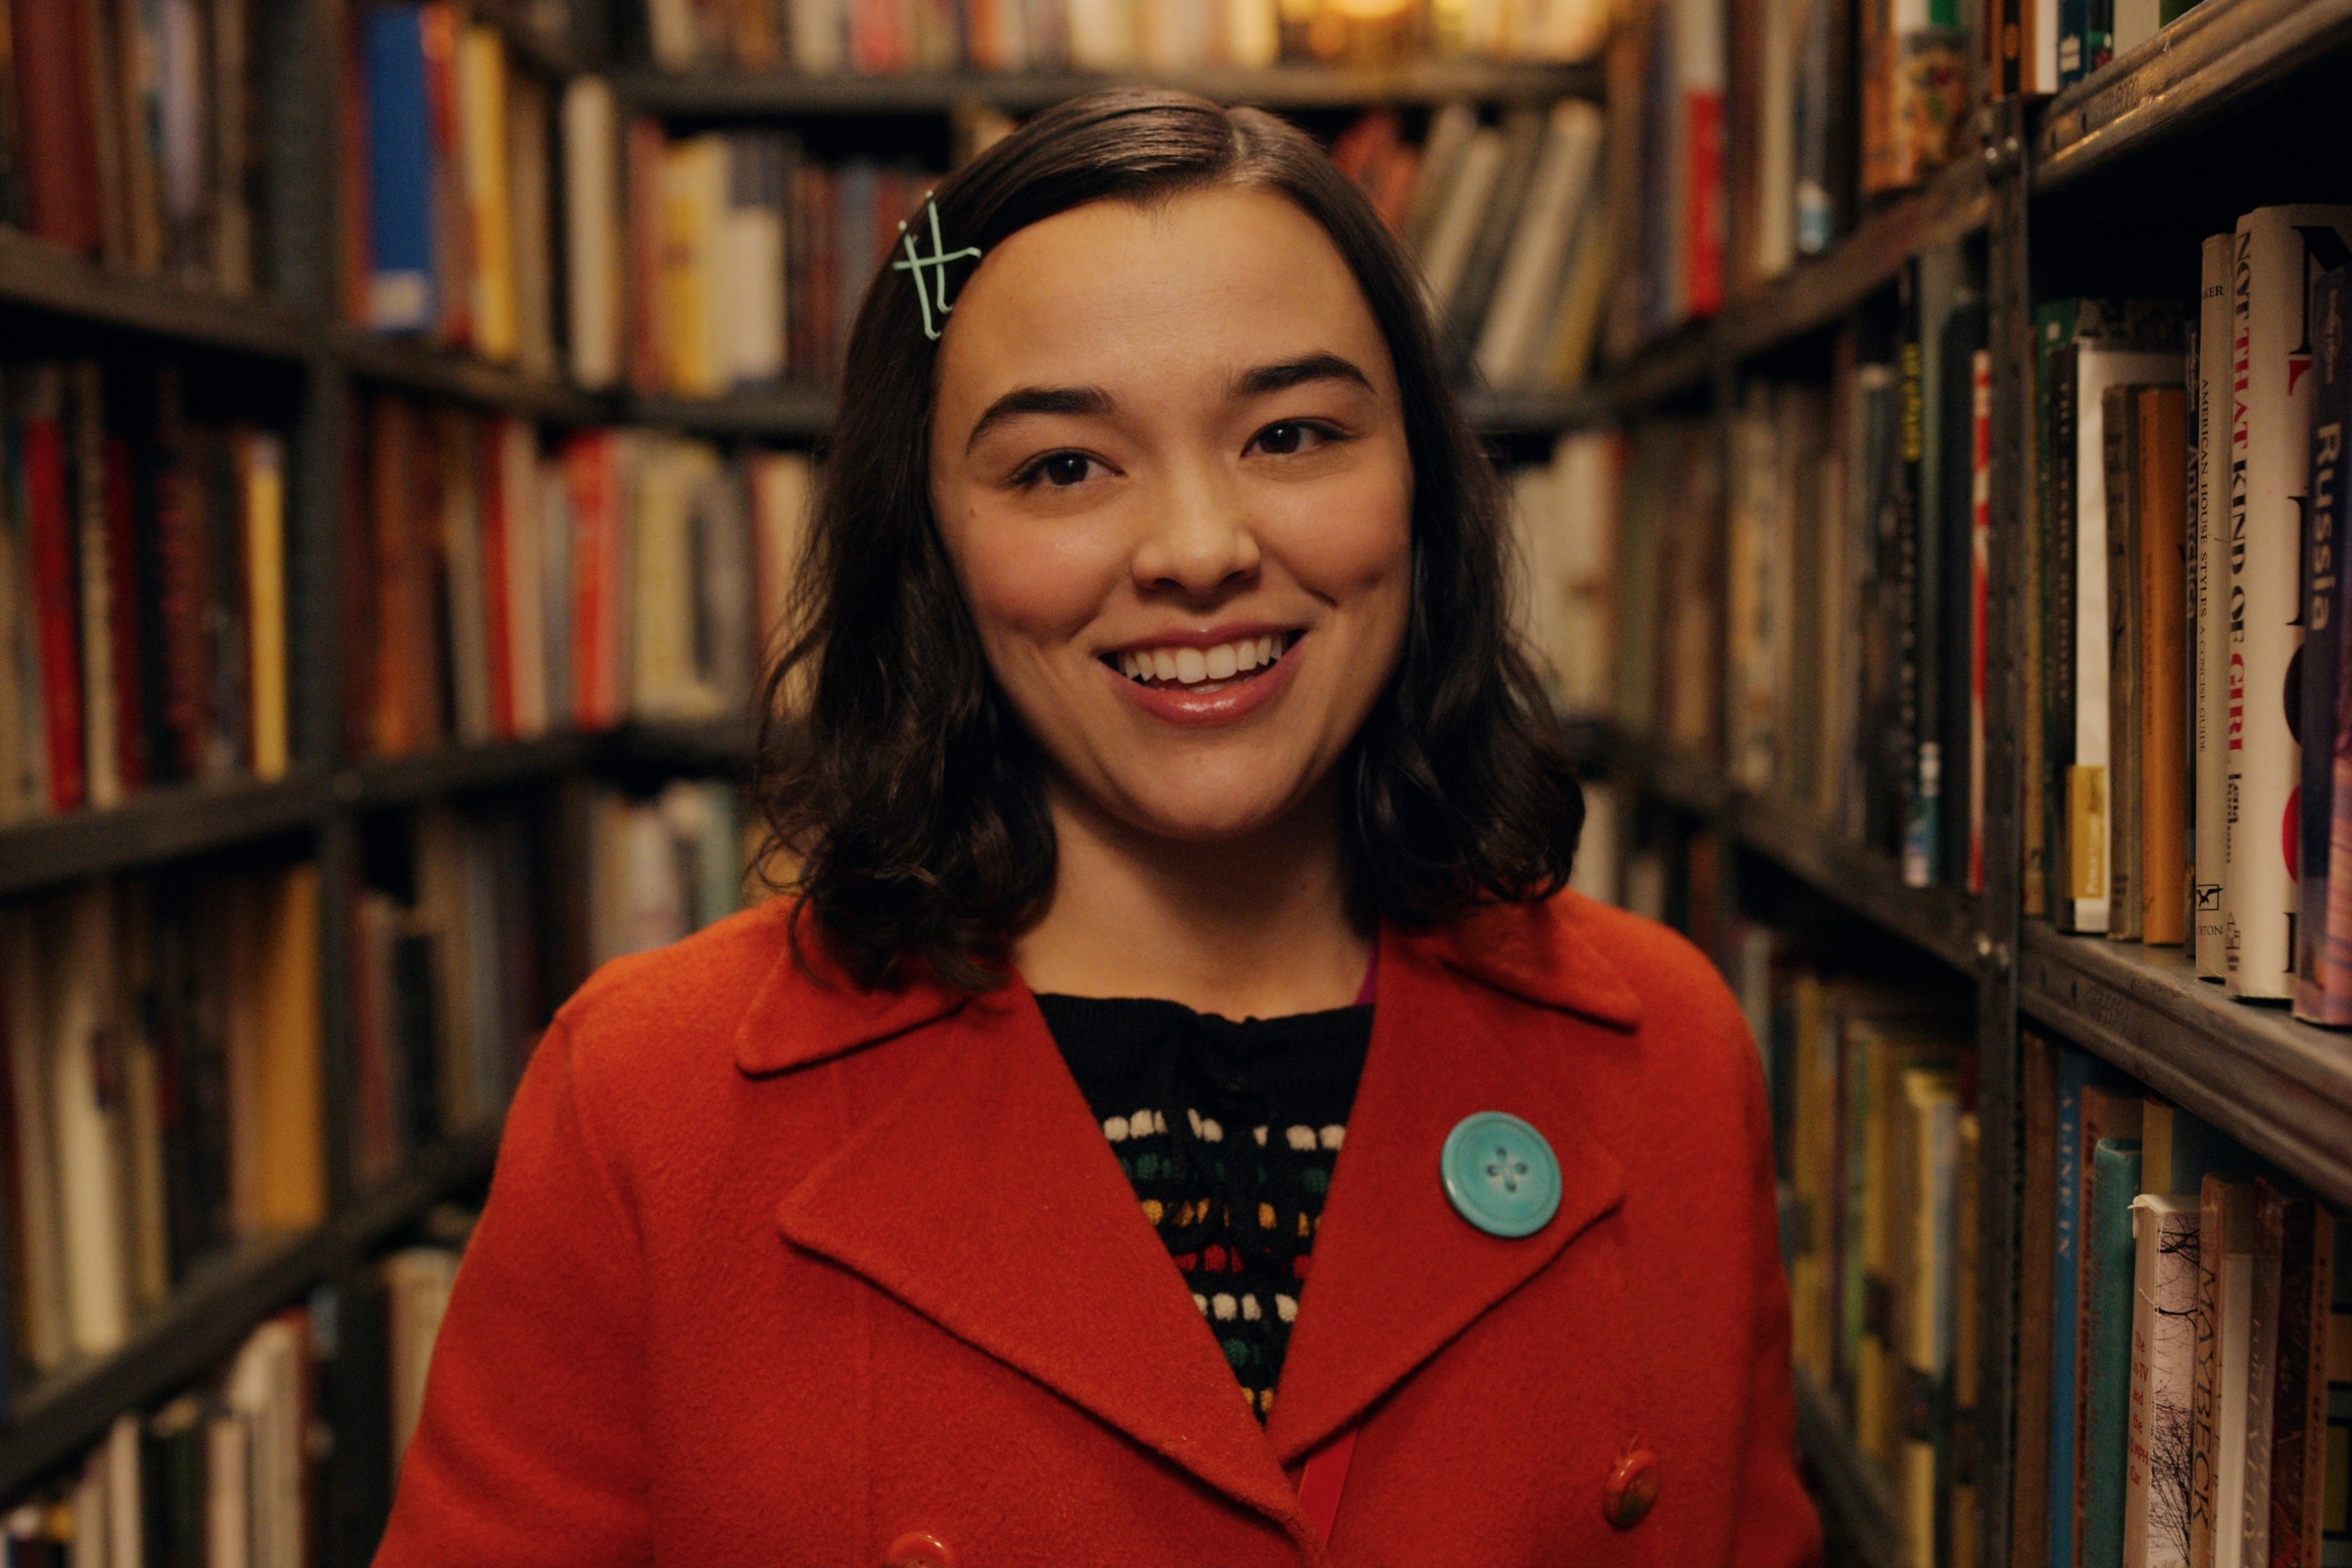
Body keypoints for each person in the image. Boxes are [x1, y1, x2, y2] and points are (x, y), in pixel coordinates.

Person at [374, 89, 1820, 1568]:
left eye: (1293, 434)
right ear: (932, 543)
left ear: (1423, 488)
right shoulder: (645, 1103)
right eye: (1063, 466)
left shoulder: (1667, 1055)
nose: (1199, 549)